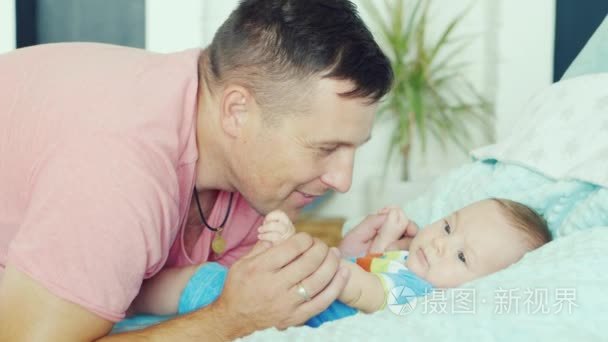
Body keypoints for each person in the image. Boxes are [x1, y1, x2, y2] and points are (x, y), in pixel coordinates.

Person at [0, 0, 394, 340]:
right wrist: (231, 319)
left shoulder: (248, 173)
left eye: (352, 150)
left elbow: (207, 287)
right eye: (325, 148)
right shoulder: (118, 172)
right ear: (237, 112)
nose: (342, 180)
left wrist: (339, 269)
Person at [121, 198, 551, 328]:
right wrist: (381, 244)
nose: (440, 244)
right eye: (447, 227)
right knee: (200, 283)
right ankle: (123, 299)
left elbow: (362, 287)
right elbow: (367, 265)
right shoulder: (409, 264)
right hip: (287, 300)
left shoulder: (420, 294)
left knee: (203, 282)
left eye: (461, 256)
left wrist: (299, 249)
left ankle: (125, 301)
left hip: (289, 310)